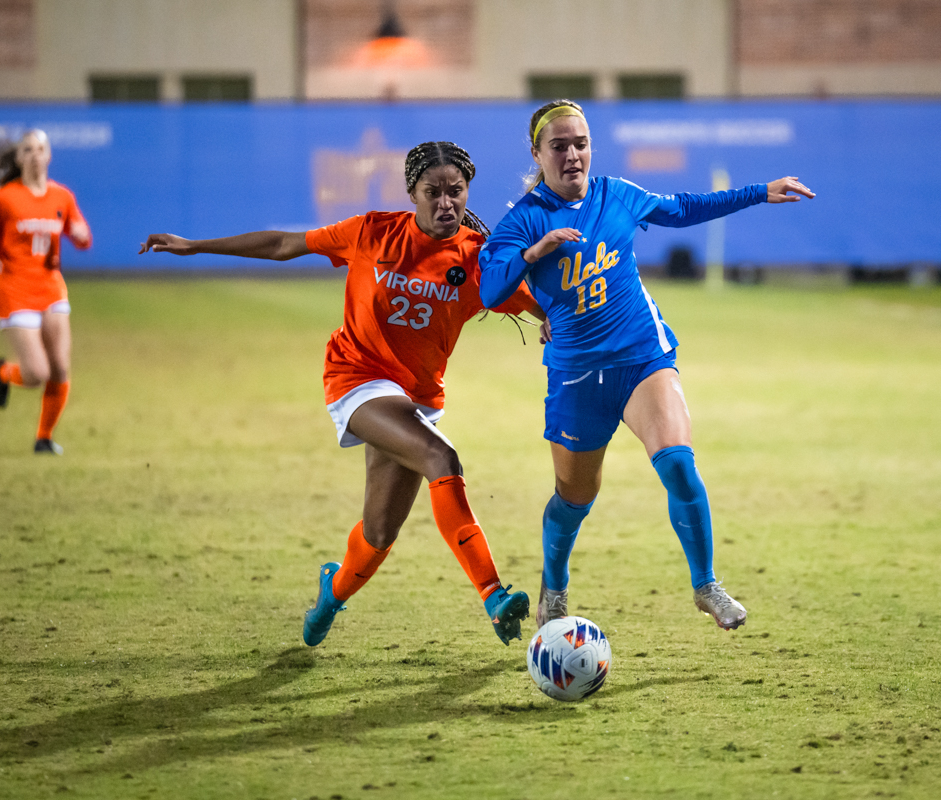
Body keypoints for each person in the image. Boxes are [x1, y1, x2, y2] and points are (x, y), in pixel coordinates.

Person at [140, 141, 543, 647]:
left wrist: (551, 319)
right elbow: (285, 244)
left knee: (378, 535)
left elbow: (532, 303)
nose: (446, 203)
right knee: (441, 457)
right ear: (411, 194)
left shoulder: (477, 259)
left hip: (416, 398)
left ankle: (330, 594)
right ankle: (493, 595)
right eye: (432, 192)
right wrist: (196, 246)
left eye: (455, 192)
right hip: (357, 378)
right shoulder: (372, 231)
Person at [479, 100, 814, 632]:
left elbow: (684, 207)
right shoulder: (522, 221)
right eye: (559, 146)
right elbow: (490, 287)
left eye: (581, 143)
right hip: (577, 376)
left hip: (642, 357)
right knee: (575, 497)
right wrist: (535, 251)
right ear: (538, 153)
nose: (573, 155)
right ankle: (556, 585)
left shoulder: (617, 195)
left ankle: (706, 585)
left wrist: (758, 192)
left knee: (678, 462)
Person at [0, 129, 92, 455]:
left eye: (41, 148)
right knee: (36, 373)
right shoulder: (5, 197)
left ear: (49, 155)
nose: (36, 155)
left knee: (60, 368)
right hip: (14, 289)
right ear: (19, 158)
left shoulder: (62, 197)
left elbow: (82, 236)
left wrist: (80, 235)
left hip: (51, 288)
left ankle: (44, 437)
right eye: (28, 149)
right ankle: (4, 371)